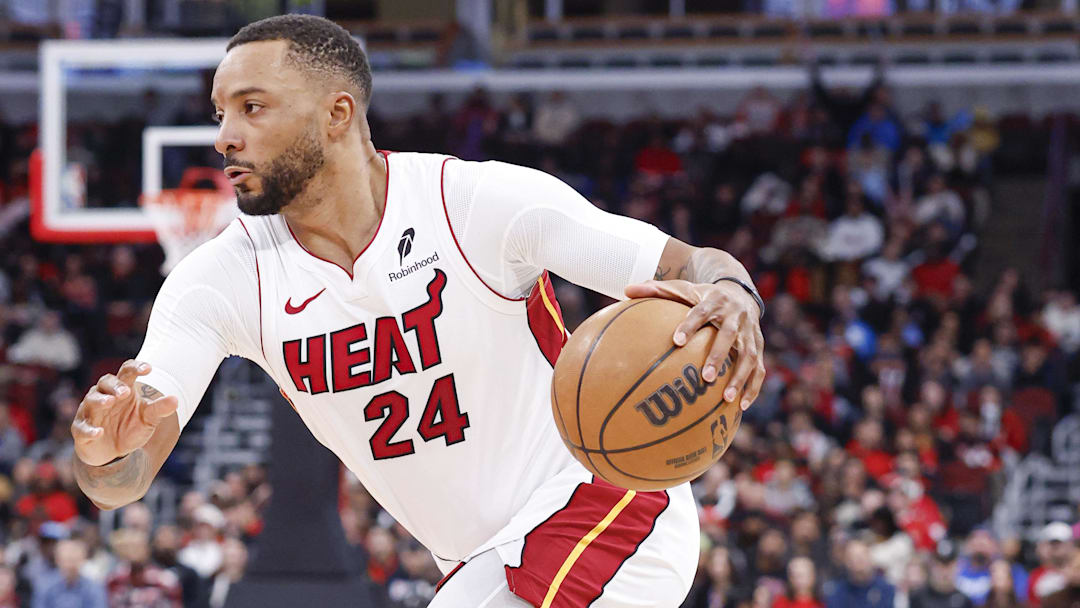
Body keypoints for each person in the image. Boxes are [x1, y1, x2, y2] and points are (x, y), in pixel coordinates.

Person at [69, 14, 767, 608]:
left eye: (252, 107)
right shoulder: (219, 280)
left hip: (602, 505)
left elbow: (689, 265)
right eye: (220, 112)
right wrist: (102, 460)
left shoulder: (472, 205)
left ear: (338, 113)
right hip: (484, 562)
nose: (225, 135)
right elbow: (127, 477)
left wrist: (734, 297)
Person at [31, 539, 107, 608]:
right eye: (66, 559)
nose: (70, 565)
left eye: (74, 560)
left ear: (83, 560)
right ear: (57, 560)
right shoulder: (43, 585)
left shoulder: (94, 588)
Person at [911, 544, 975, 608]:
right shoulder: (917, 597)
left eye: (948, 565)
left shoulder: (964, 601)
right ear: (931, 565)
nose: (944, 571)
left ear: (957, 565)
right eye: (940, 564)